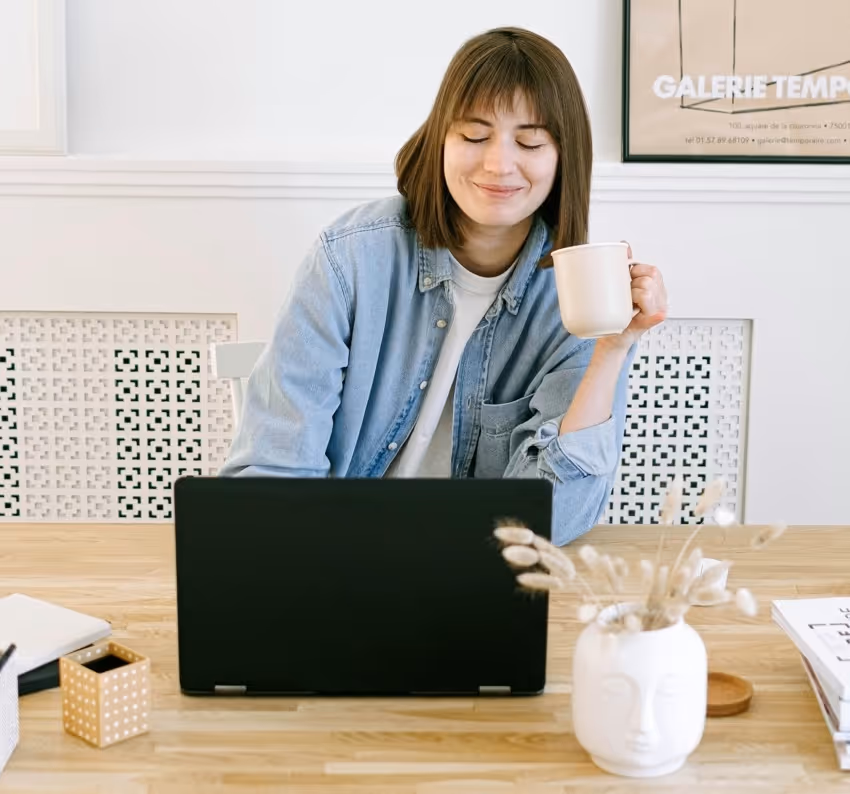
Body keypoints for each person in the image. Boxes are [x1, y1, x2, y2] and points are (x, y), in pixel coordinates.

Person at [219, 26, 667, 545]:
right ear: (440, 140)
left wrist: (611, 349)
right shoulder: (351, 258)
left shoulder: (583, 296)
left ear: (563, 156)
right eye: (474, 136)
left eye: (530, 141)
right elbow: (273, 475)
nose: (499, 164)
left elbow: (551, 522)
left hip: (474, 572)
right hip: (334, 555)